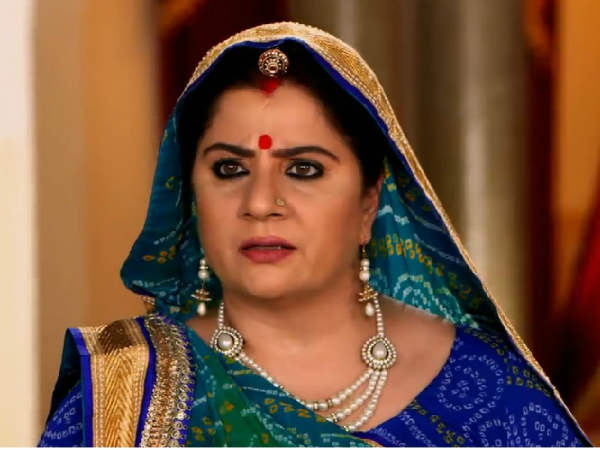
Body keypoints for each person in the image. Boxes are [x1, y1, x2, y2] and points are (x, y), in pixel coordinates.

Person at [39, 22, 591, 447]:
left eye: (303, 169)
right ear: (190, 196)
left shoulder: (487, 392)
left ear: (369, 201)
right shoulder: (126, 391)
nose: (260, 203)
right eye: (229, 169)